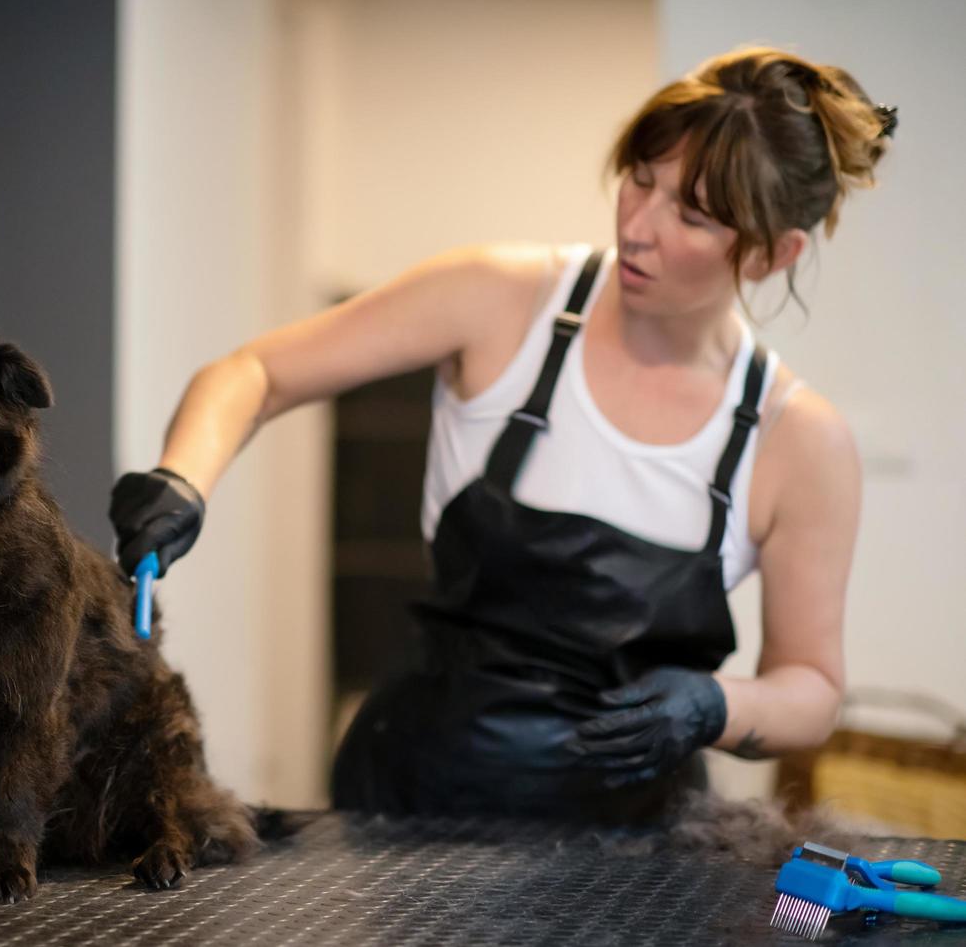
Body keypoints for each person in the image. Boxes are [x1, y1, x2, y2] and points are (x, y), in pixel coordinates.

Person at [108, 46, 895, 823]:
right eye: (641, 180)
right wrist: (182, 479)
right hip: (410, 810)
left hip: (638, 848)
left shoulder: (799, 441)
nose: (638, 226)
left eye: (690, 214)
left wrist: (715, 705)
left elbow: (812, 688)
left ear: (773, 253)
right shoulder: (500, 300)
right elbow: (256, 373)